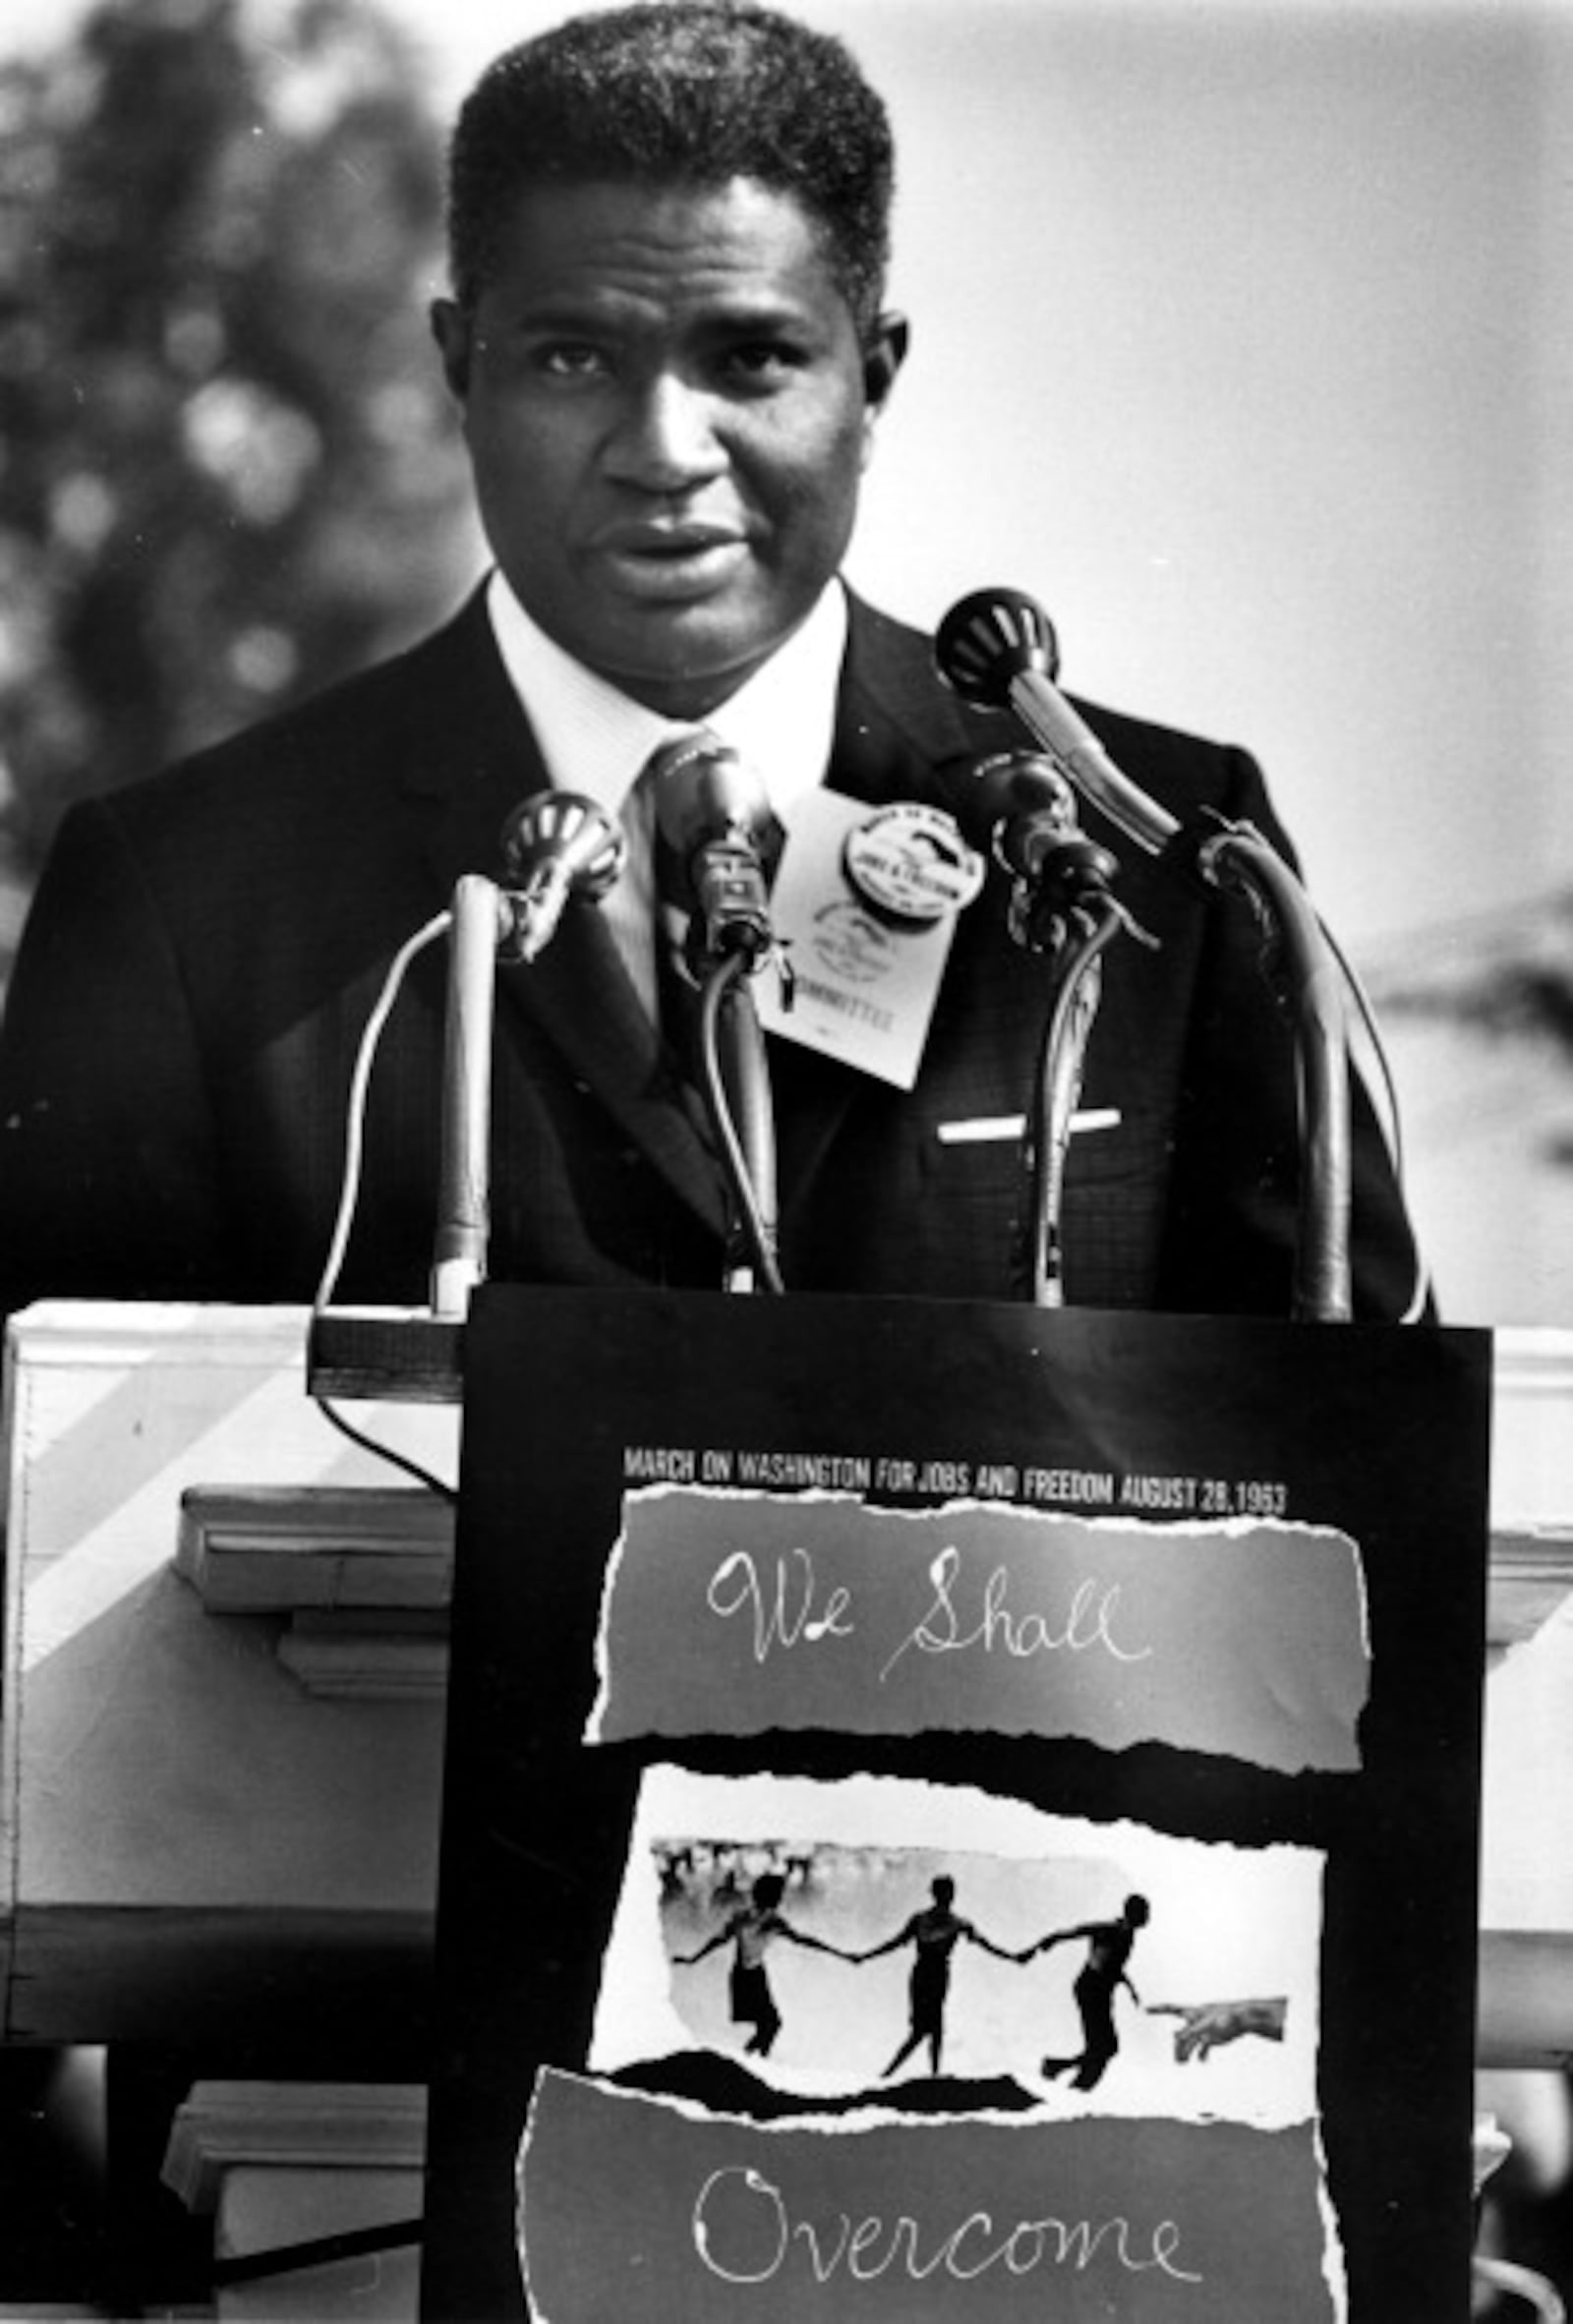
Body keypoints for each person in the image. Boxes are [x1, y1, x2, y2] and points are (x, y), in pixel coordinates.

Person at [0, 0, 1427, 1325]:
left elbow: (1353, 1496)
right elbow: (55, 1532)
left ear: (873, 378)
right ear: (459, 367)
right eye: (572, 360)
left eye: (749, 362)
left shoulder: (1166, 860)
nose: (665, 453)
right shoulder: (184, 897)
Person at [853, 1873, 1019, 2079]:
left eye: (948, 1892)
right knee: (925, 2029)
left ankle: (925, 2075)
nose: (947, 1896)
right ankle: (903, 2075)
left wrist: (1012, 1957)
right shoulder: (935, 1921)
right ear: (938, 1894)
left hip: (932, 1975)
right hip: (926, 1975)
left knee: (933, 2027)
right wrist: (865, 1956)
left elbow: (986, 1945)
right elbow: (895, 1943)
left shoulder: (949, 1922)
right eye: (944, 1892)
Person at [672, 1871, 850, 2059]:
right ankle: (752, 2059)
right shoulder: (770, 1921)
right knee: (771, 2025)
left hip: (749, 1974)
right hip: (748, 1977)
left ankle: (755, 2058)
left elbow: (719, 1940)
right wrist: (841, 1954)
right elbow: (804, 1941)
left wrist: (693, 1958)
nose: (780, 1900)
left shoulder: (747, 1917)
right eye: (779, 1896)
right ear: (773, 1898)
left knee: (769, 2025)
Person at [1021, 1891, 1149, 2092]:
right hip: (1091, 1989)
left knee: (1106, 2048)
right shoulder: (1109, 1930)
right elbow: (1076, 1932)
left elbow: (1114, 1967)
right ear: (1133, 1913)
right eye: (1144, 1913)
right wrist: (1045, 1943)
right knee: (1103, 2048)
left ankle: (1058, 2068)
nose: (1147, 1918)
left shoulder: (1128, 1936)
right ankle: (1070, 2080)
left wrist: (1129, 1987)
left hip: (1102, 1992)